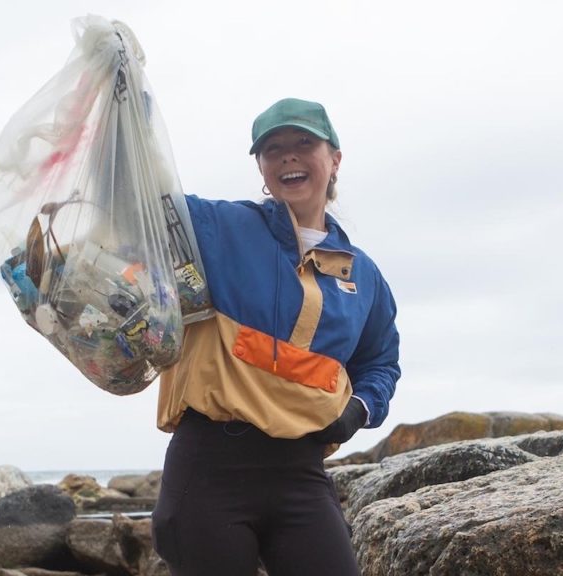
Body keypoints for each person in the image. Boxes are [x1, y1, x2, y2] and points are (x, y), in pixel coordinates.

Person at [151, 98, 401, 576]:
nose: (288, 156)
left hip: (301, 473)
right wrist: (120, 94)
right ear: (262, 169)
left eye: (304, 143)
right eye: (272, 148)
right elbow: (141, 198)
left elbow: (380, 362)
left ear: (335, 159)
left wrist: (359, 409)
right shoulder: (217, 228)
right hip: (209, 468)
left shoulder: (363, 275)